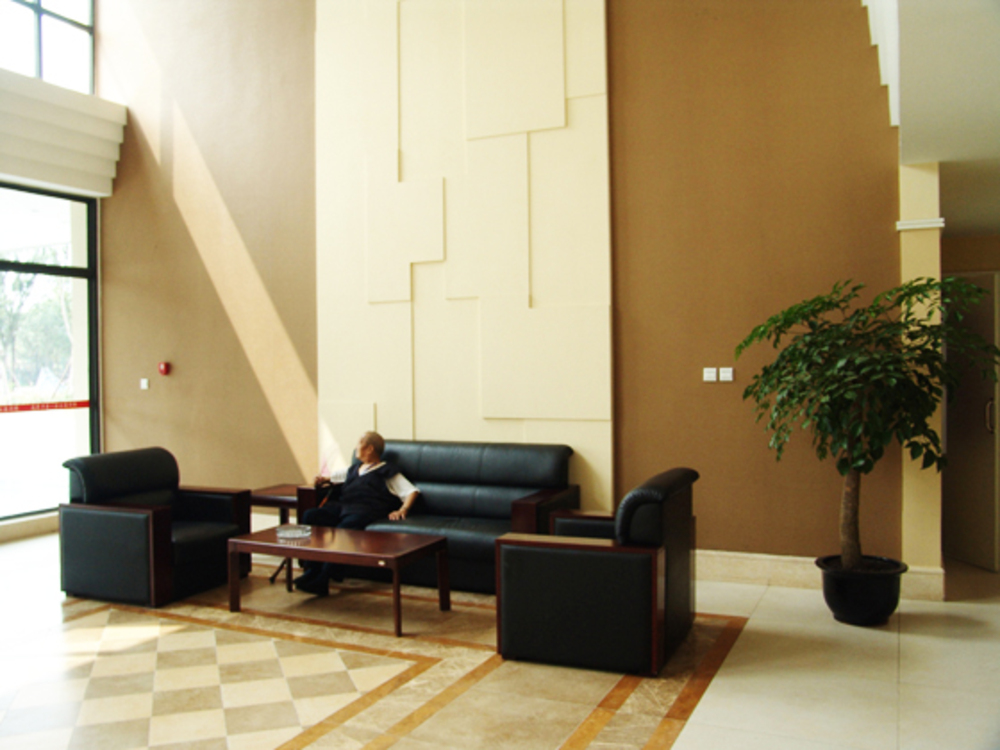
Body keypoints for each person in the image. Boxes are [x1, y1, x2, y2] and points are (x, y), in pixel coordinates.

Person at [295, 431, 419, 595]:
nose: (355, 448)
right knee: (311, 516)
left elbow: (411, 491)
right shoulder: (354, 469)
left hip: (365, 510)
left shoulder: (386, 470)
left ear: (369, 448)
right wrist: (323, 479)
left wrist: (402, 509)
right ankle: (311, 570)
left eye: (359, 443)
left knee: (344, 529)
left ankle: (324, 578)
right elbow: (334, 477)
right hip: (343, 506)